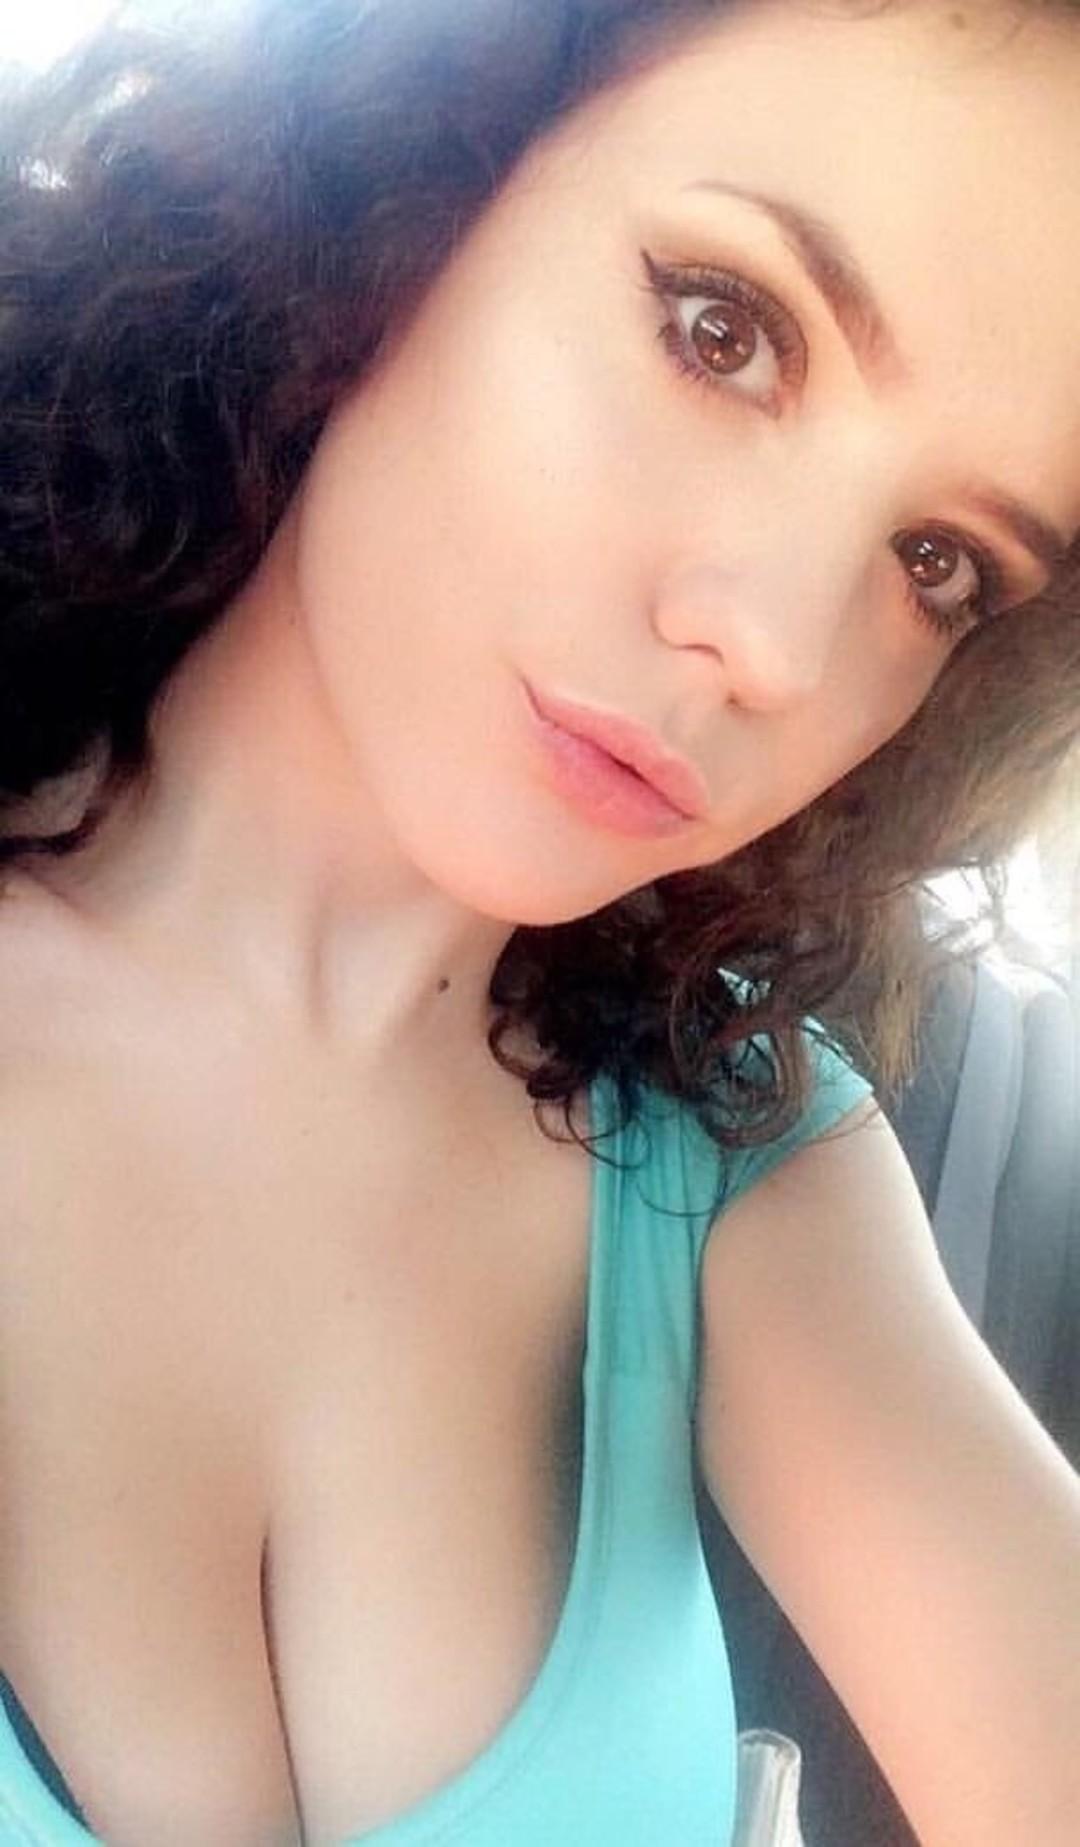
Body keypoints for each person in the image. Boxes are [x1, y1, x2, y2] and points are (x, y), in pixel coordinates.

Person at [0, 0, 1078, 1842]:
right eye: (724, 330)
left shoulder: (748, 1158)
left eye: (936, 565)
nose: (778, 647)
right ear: (408, 187)